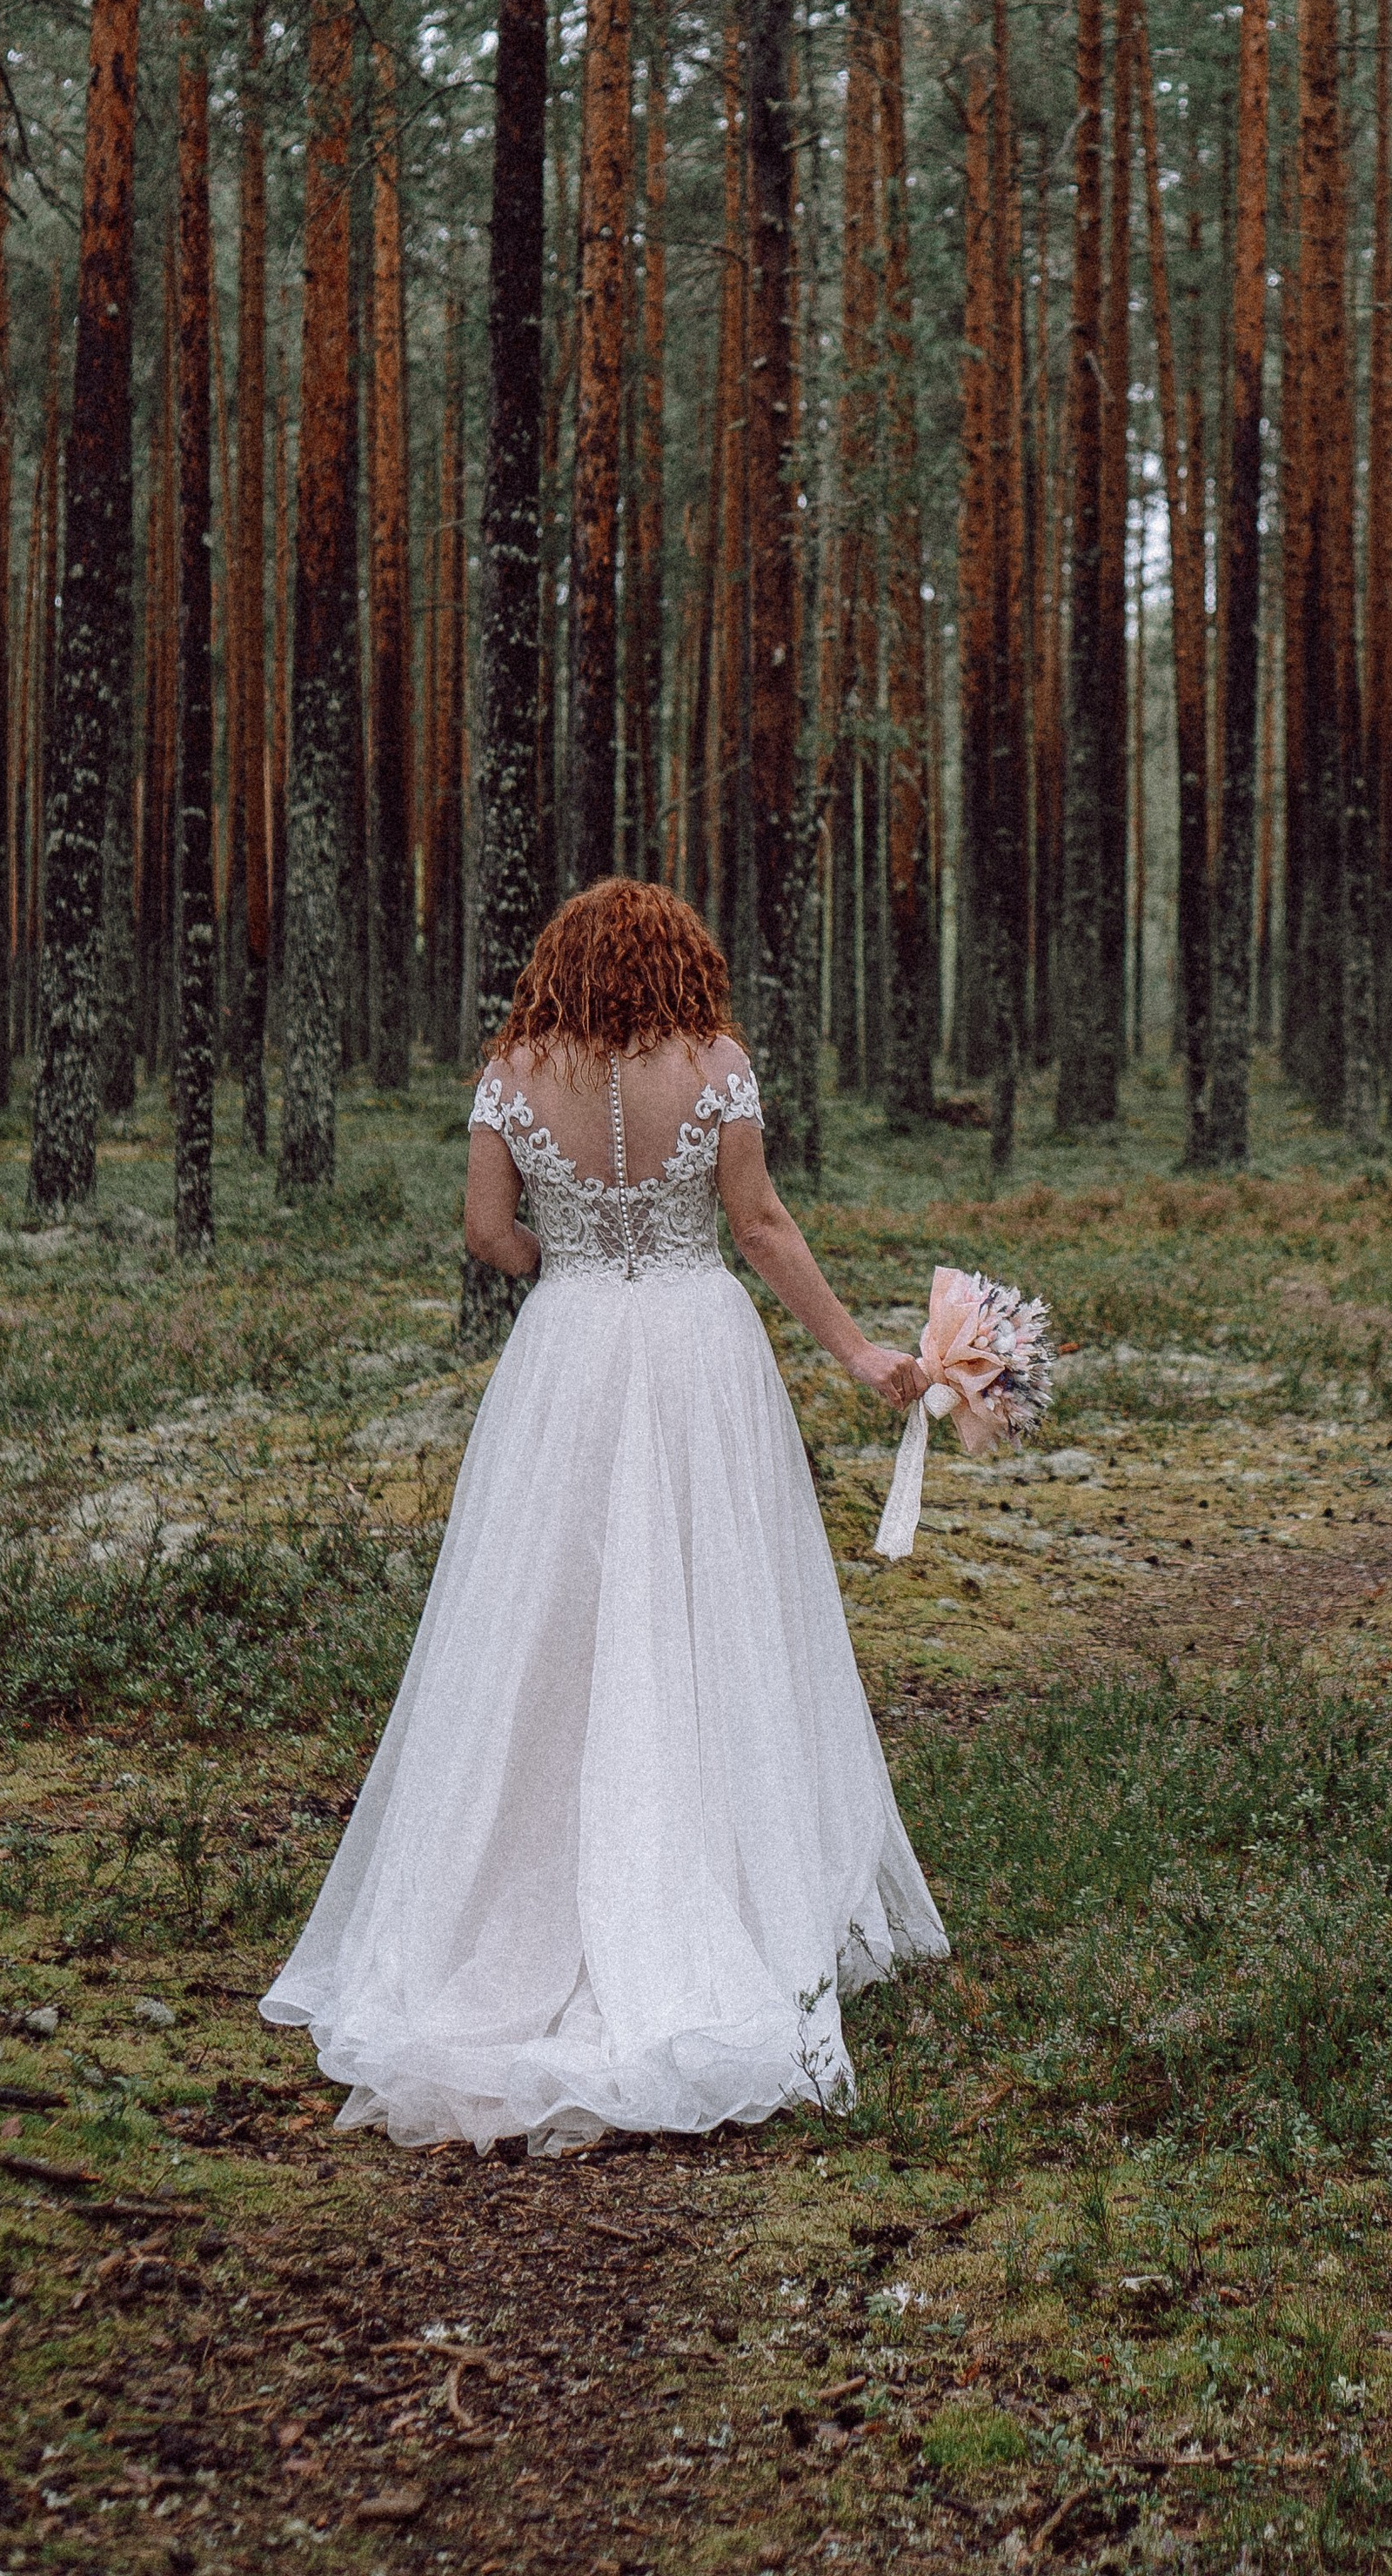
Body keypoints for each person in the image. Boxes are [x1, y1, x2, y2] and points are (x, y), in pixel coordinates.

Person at [262, 878, 947, 2153]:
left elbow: (485, 1232)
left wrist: (563, 1266)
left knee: (544, 1619)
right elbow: (758, 1223)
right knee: (711, 1604)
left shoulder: (513, 1073)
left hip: (567, 1356)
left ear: (559, 966)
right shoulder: (717, 1062)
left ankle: (509, 1905)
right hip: (697, 1349)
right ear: (684, 961)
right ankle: (726, 1891)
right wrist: (857, 1353)